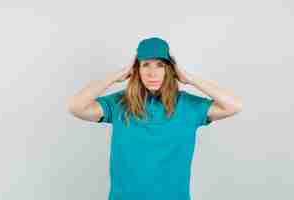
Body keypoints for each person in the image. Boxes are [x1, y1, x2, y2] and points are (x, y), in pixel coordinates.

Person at [67, 37, 243, 200]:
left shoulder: (187, 105)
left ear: (169, 69)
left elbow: (234, 106)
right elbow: (76, 107)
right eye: (146, 64)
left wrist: (188, 78)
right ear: (137, 69)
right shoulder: (120, 103)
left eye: (160, 65)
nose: (152, 73)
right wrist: (117, 75)